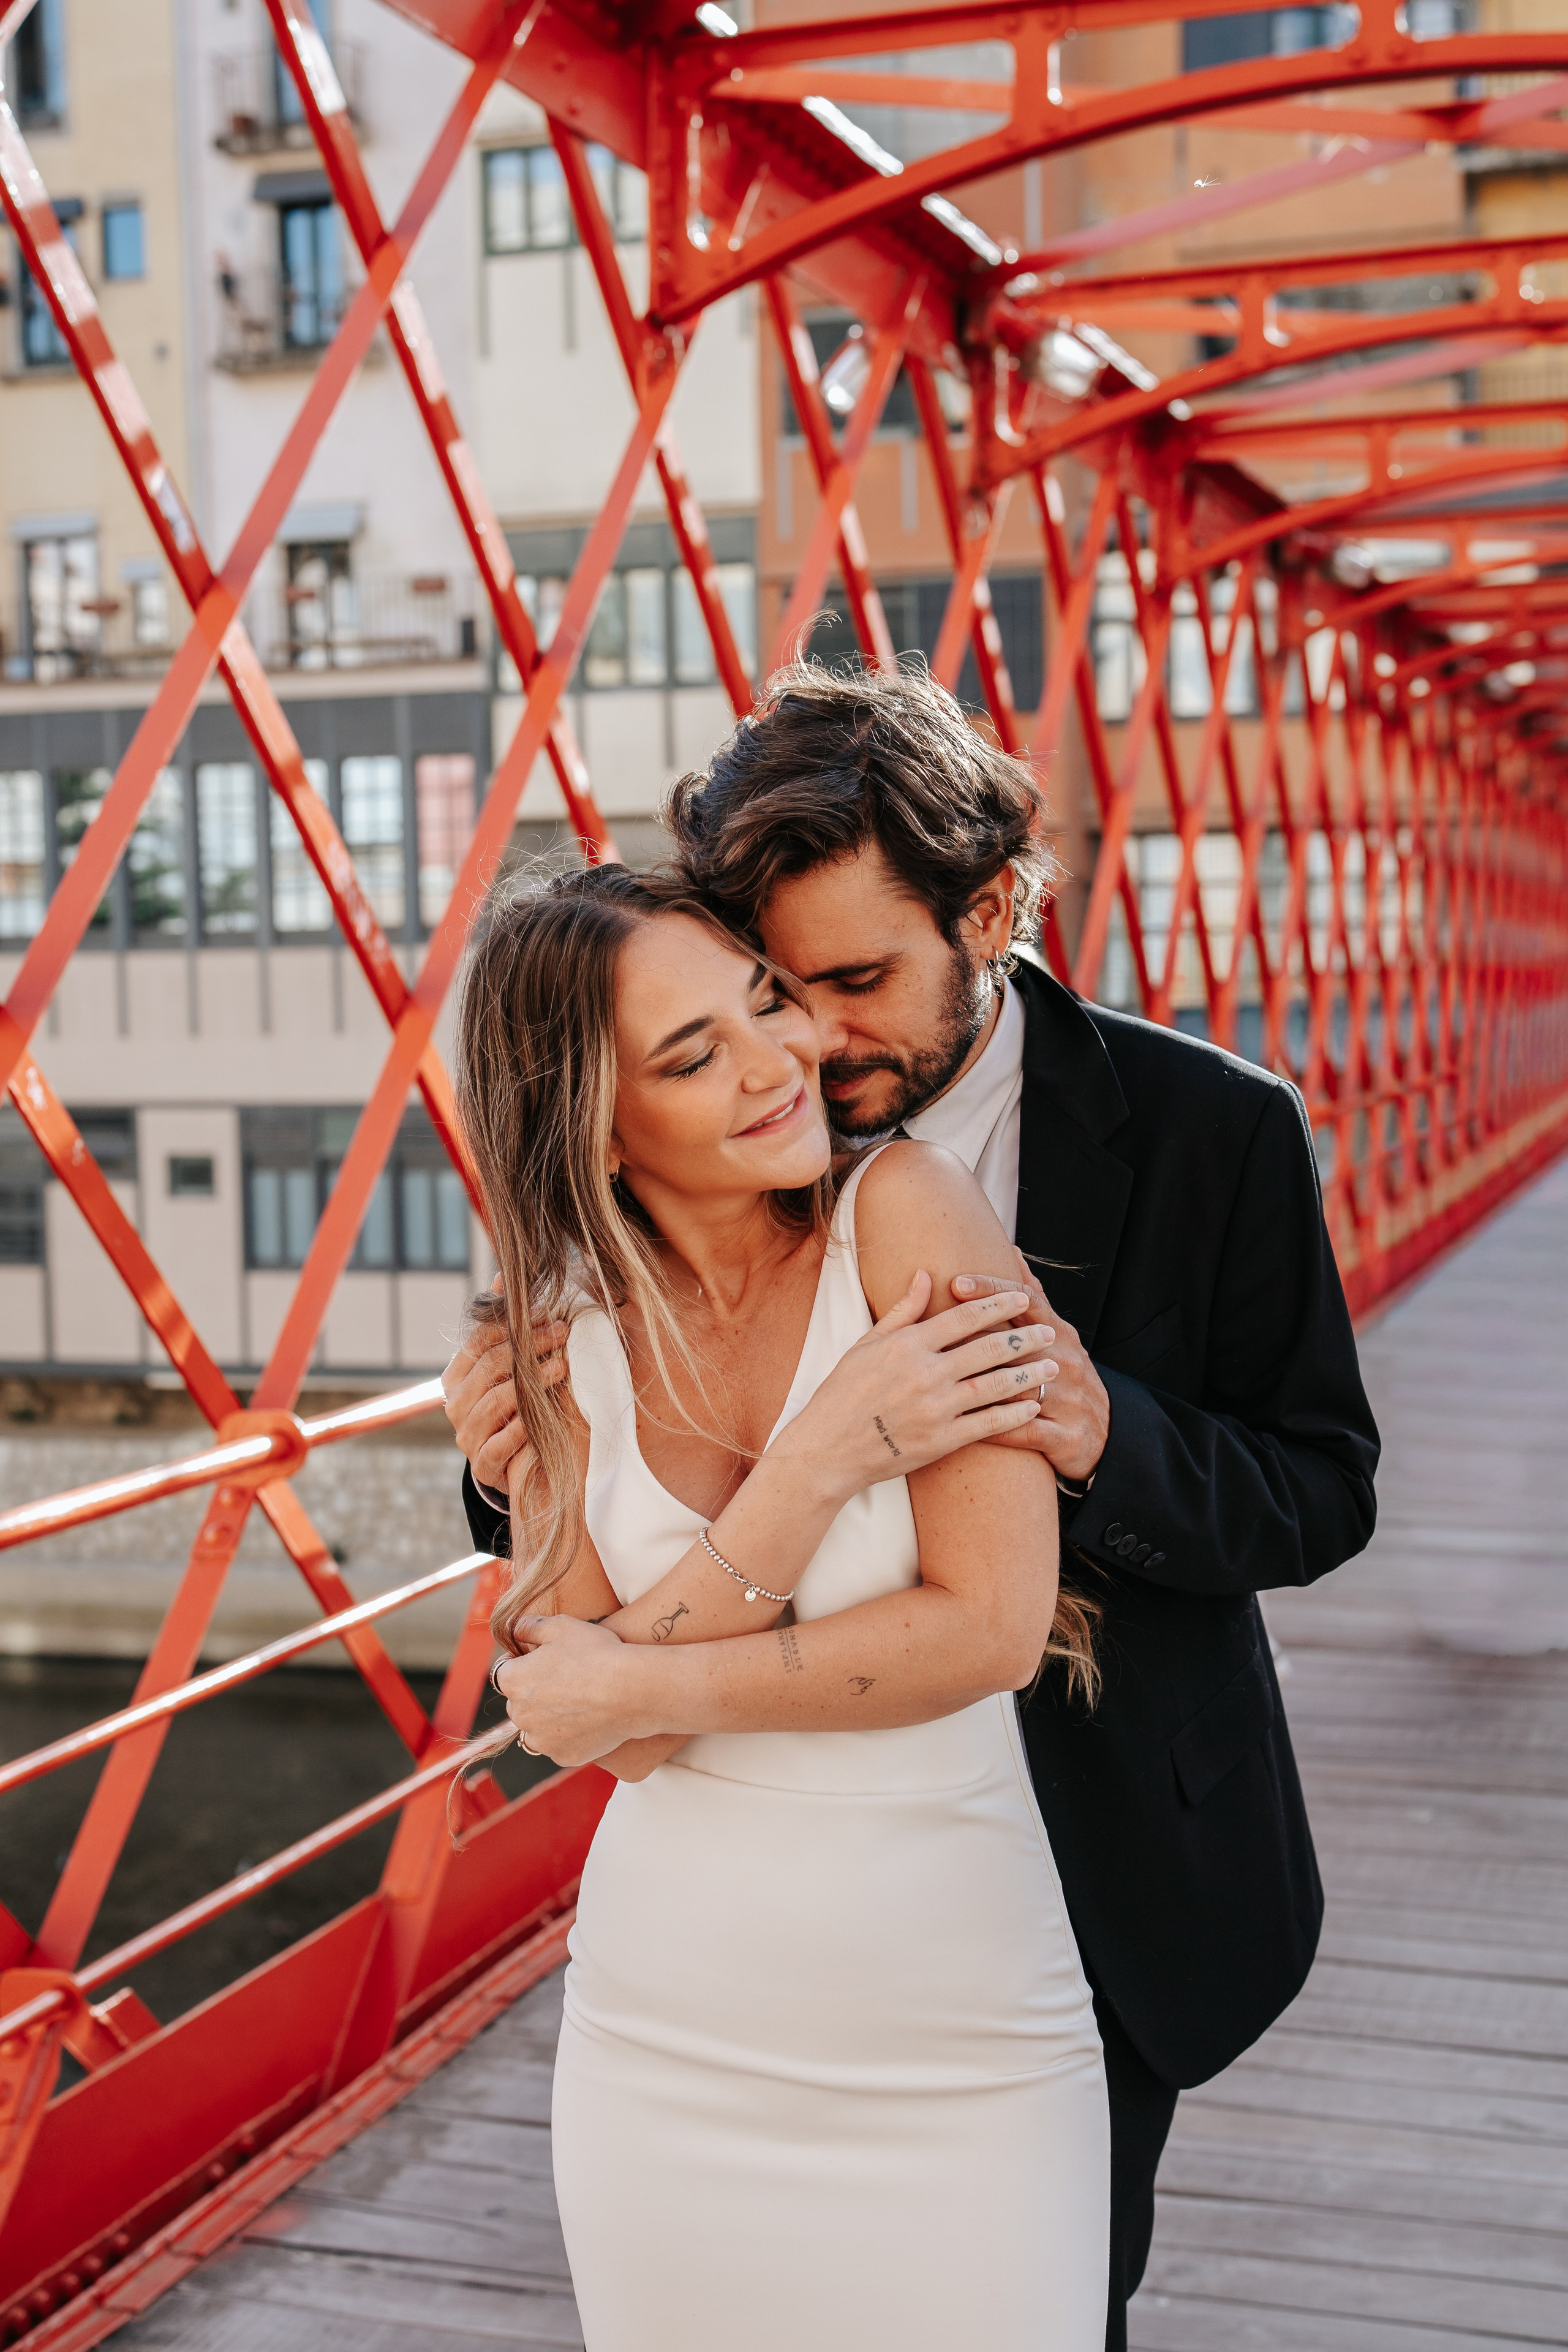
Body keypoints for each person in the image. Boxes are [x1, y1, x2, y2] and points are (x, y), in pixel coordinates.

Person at [447, 663, 1381, 2352]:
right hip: (727, 1940)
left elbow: (1320, 1492)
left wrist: (1104, 1433)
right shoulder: (646, 1213)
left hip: (1090, 1884)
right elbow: (595, 1526)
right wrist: (499, 1453)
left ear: (999, 908)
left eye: (854, 982)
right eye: (768, 987)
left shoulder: (1214, 1133)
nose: (808, 1041)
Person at [451, 862, 1110, 2352]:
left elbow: (985, 1629)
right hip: (664, 2049)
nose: (777, 1064)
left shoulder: (914, 1215)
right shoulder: (547, 1335)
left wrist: (640, 1677)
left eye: (764, 1004)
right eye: (692, 1056)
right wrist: (809, 1476)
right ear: (593, 1123)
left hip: (959, 2045)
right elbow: (599, 1739)